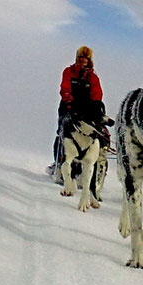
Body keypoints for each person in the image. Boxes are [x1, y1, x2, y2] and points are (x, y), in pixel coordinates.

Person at [48, 46, 104, 183]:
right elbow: (65, 88)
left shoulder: (92, 77)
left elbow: (97, 95)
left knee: (87, 136)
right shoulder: (69, 71)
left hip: (85, 112)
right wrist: (68, 102)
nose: (82, 60)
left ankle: (82, 170)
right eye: (80, 57)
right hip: (68, 108)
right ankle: (59, 164)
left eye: (86, 58)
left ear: (89, 60)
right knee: (63, 134)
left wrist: (94, 109)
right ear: (77, 57)